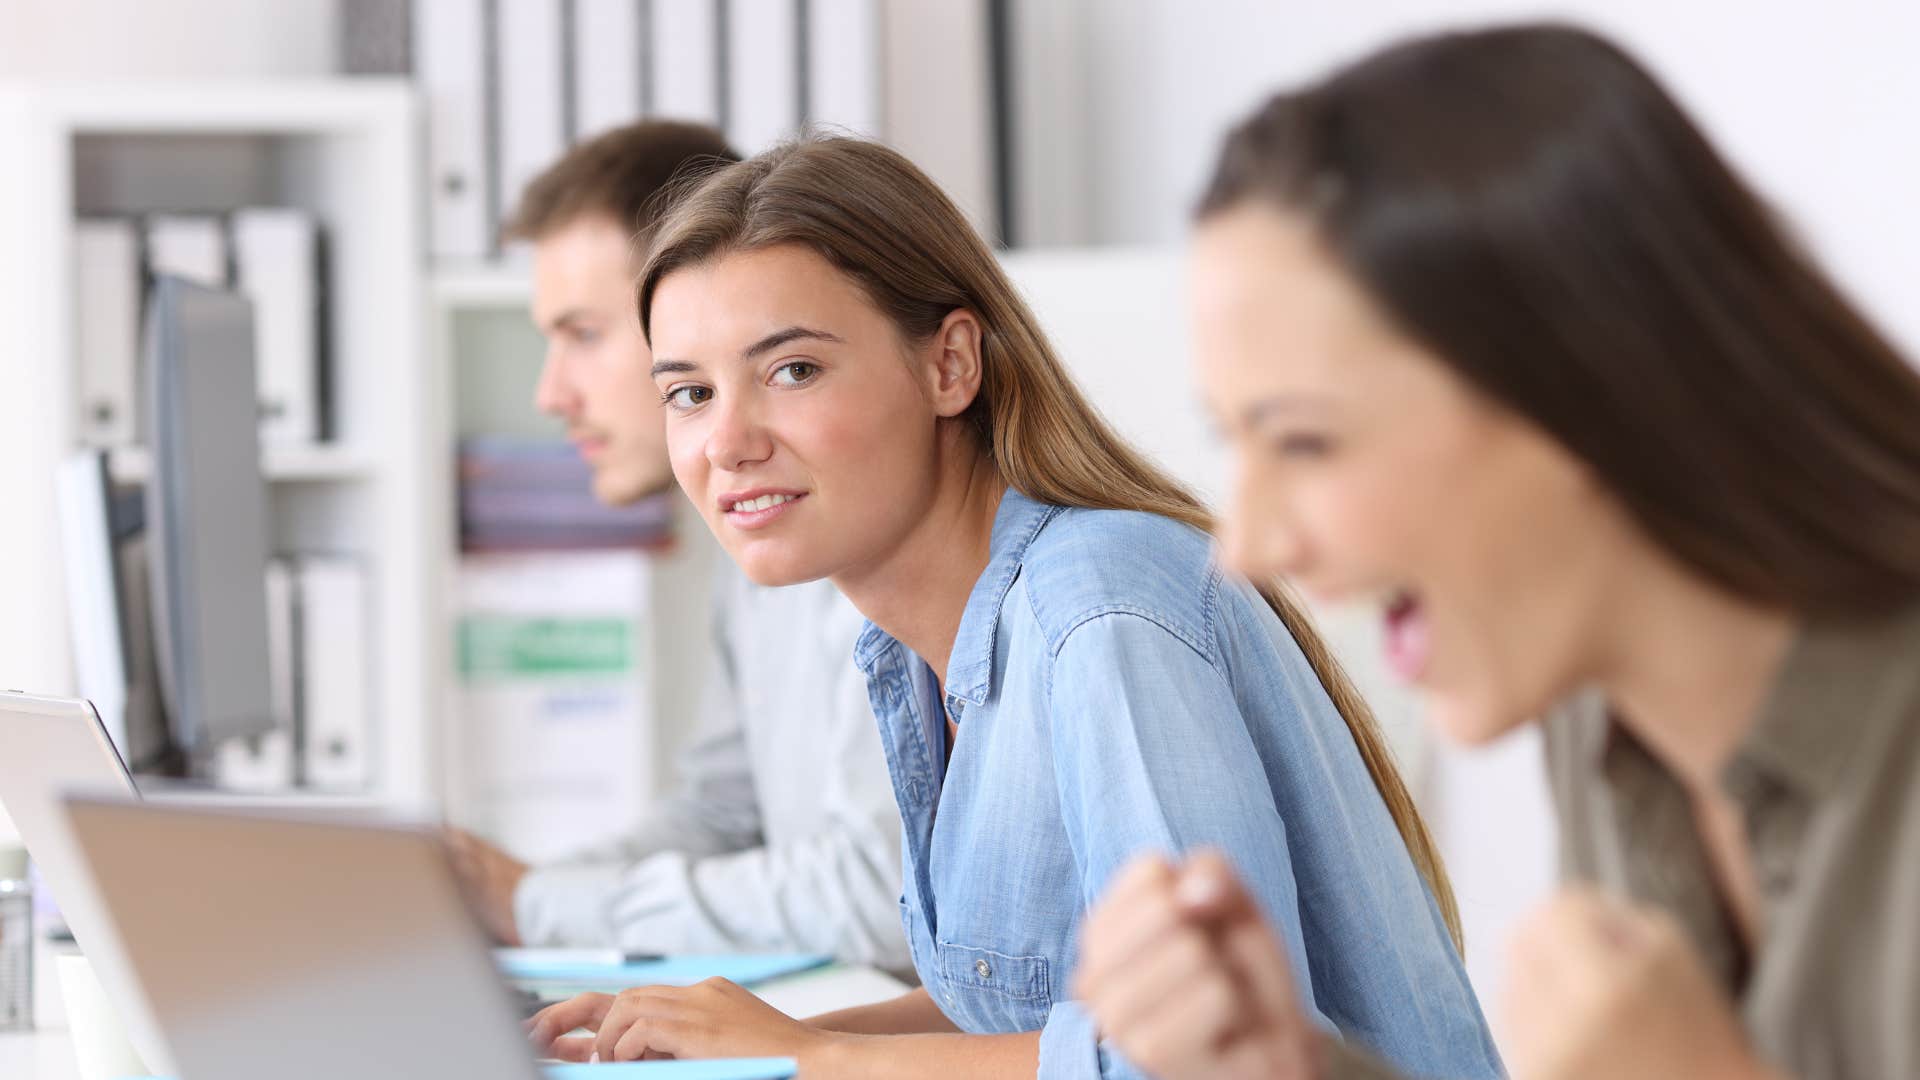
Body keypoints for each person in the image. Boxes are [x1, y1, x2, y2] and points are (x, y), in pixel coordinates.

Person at [522, 136, 1503, 1079]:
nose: (725, 442)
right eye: (689, 393)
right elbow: (1022, 1003)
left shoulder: (1097, 607)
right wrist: (750, 1038)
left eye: (792, 370)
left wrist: (823, 1058)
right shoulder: (914, 649)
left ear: (951, 364)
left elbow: (1218, 1059)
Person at [1072, 22, 1920, 1080]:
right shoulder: (1599, 709)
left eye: (1305, 440)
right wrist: (1284, 1064)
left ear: (1590, 393)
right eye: (1234, 440)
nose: (1244, 549)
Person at [443, 120, 911, 973]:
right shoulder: (759, 550)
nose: (552, 393)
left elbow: (885, 892)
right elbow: (724, 815)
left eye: (583, 334)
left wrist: (539, 904)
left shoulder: (871, 547)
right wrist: (512, 896)